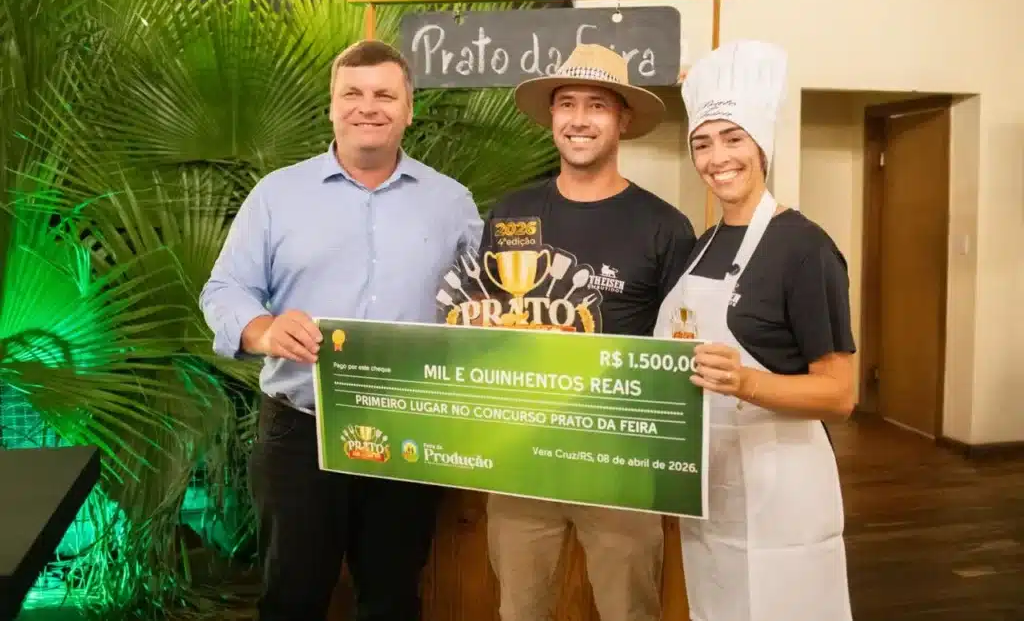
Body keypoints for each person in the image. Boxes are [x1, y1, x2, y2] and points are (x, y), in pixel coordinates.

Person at [199, 40, 483, 621]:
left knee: (392, 598)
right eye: (352, 93)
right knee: (292, 597)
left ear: (409, 109)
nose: (367, 107)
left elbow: (483, 297)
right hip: (301, 430)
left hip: (409, 428)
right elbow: (224, 289)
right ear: (331, 107)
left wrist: (482, 317)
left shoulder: (451, 202)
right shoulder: (277, 195)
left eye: (385, 95)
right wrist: (264, 329)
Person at [476, 43, 698, 621]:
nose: (579, 119)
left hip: (620, 464)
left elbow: (681, 350)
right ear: (551, 115)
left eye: (597, 105)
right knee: (519, 611)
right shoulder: (511, 214)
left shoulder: (665, 227)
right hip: (522, 457)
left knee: (631, 612)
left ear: (623, 120)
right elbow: (483, 323)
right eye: (567, 103)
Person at [654, 39, 856, 621]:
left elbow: (839, 394)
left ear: (761, 145)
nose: (717, 157)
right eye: (702, 143)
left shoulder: (804, 248)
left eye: (733, 138)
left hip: (781, 494)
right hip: (710, 490)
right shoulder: (703, 245)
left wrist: (744, 382)